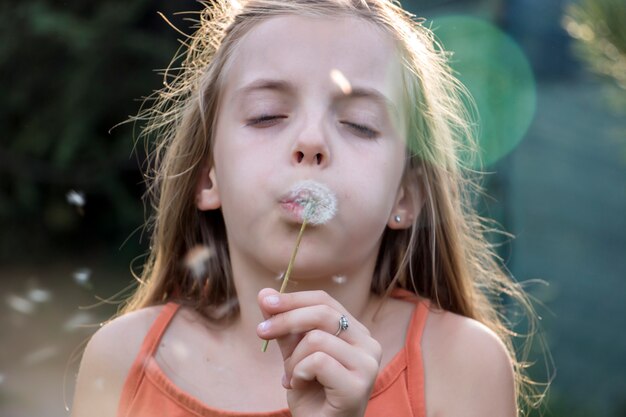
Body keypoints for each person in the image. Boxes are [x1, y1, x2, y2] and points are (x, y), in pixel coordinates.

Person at [71, 1, 546, 416]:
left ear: (406, 196)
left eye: (359, 124)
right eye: (267, 115)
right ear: (206, 176)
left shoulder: (462, 366)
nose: (311, 141)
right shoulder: (120, 360)